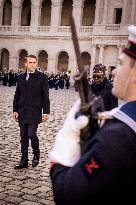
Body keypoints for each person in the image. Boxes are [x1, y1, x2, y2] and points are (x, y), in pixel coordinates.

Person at [49, 25, 136, 204]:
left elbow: (67, 194)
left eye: (120, 64)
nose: (113, 72)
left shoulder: (117, 138)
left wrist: (66, 140)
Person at [13, 54, 50, 169]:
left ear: (36, 63)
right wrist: (15, 110)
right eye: (30, 62)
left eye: (34, 62)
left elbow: (45, 96)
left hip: (35, 112)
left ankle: (36, 155)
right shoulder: (20, 77)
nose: (32, 64)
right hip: (22, 111)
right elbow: (17, 95)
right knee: (23, 138)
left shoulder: (42, 77)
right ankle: (24, 161)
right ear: (26, 64)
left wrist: (46, 112)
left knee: (31, 134)